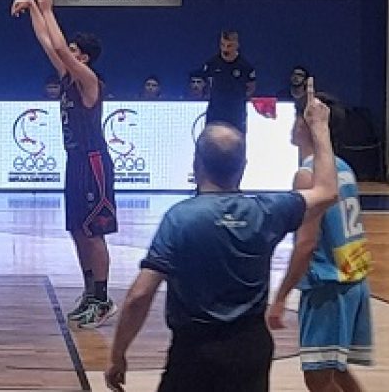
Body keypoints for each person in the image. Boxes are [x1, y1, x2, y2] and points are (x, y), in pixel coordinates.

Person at [105, 81, 342, 392]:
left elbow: (139, 296)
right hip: (251, 348)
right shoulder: (267, 211)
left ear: (197, 164)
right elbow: (327, 191)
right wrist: (320, 128)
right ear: (243, 167)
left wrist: (118, 354)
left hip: (195, 350)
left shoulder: (180, 219)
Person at [12, 0, 116, 328]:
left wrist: (48, 9)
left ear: (83, 57)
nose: (65, 53)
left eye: (73, 51)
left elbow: (57, 44)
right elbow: (48, 42)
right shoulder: (68, 77)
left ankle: (102, 299)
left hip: (93, 161)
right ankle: (90, 291)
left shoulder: (89, 80)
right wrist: (33, 10)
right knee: (76, 229)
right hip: (75, 161)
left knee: (94, 231)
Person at [268, 91, 373, 392]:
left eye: (296, 117)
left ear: (307, 123)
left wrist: (280, 297)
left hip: (328, 286)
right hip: (354, 280)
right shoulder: (343, 167)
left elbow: (306, 244)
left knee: (317, 378)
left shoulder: (307, 175)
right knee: (336, 371)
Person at [200, 30, 256, 133]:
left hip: (236, 114)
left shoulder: (246, 67)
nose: (225, 49)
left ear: (237, 45)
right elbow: (204, 84)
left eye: (229, 46)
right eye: (222, 45)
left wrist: (237, 99)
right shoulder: (211, 64)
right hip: (215, 113)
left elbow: (251, 87)